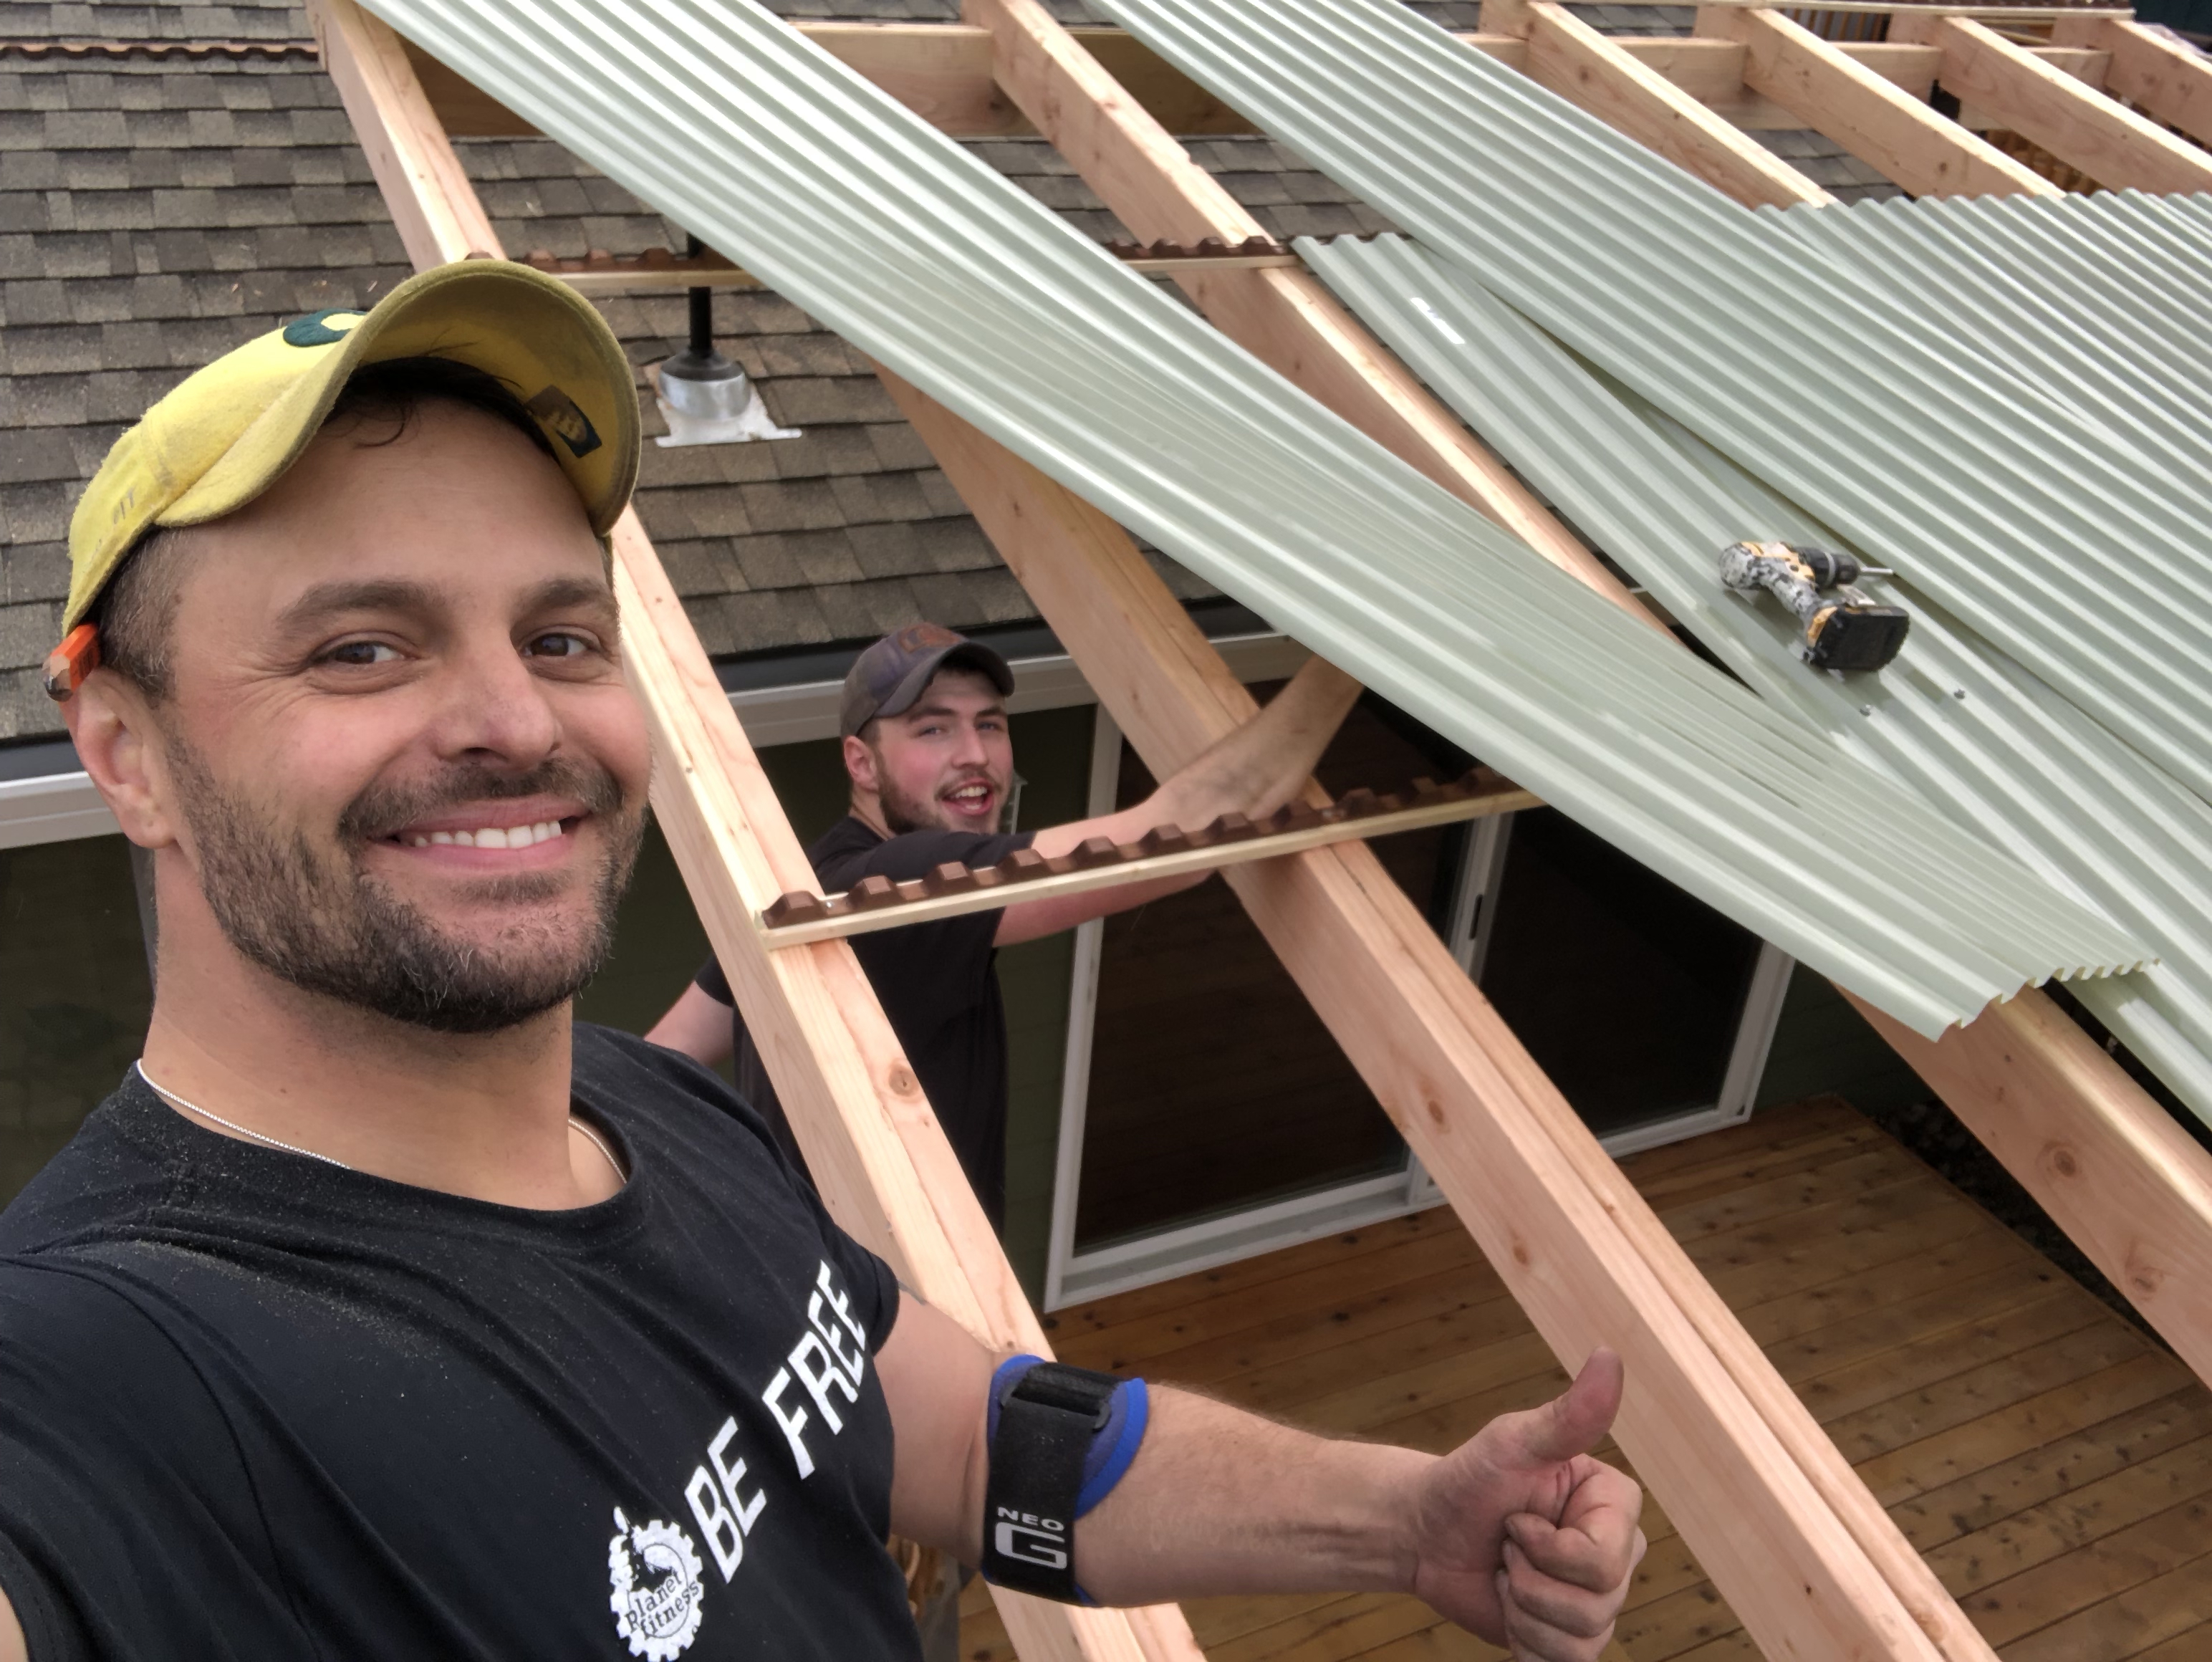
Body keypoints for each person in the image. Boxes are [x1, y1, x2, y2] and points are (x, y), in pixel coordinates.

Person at [8, 260, 1643, 1661]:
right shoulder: (107, 1376)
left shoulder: (657, 1111)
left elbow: (984, 1435)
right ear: (122, 747)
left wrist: (1404, 1519)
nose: (516, 720)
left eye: (564, 637)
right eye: (361, 647)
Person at [648, 623, 1361, 1230]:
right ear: (861, 762)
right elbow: (1184, 835)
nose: (975, 753)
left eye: (989, 723)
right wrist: (1353, 650)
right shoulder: (900, 881)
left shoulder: (811, 877)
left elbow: (668, 1052)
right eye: (933, 728)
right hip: (913, 1314)